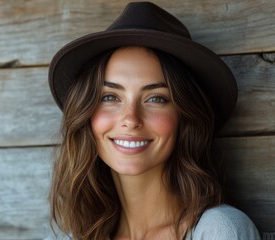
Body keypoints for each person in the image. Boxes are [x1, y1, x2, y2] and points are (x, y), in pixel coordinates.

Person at [47, 2, 261, 240]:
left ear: (186, 117)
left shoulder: (220, 231)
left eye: (156, 98)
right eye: (110, 97)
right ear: (85, 114)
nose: (130, 119)